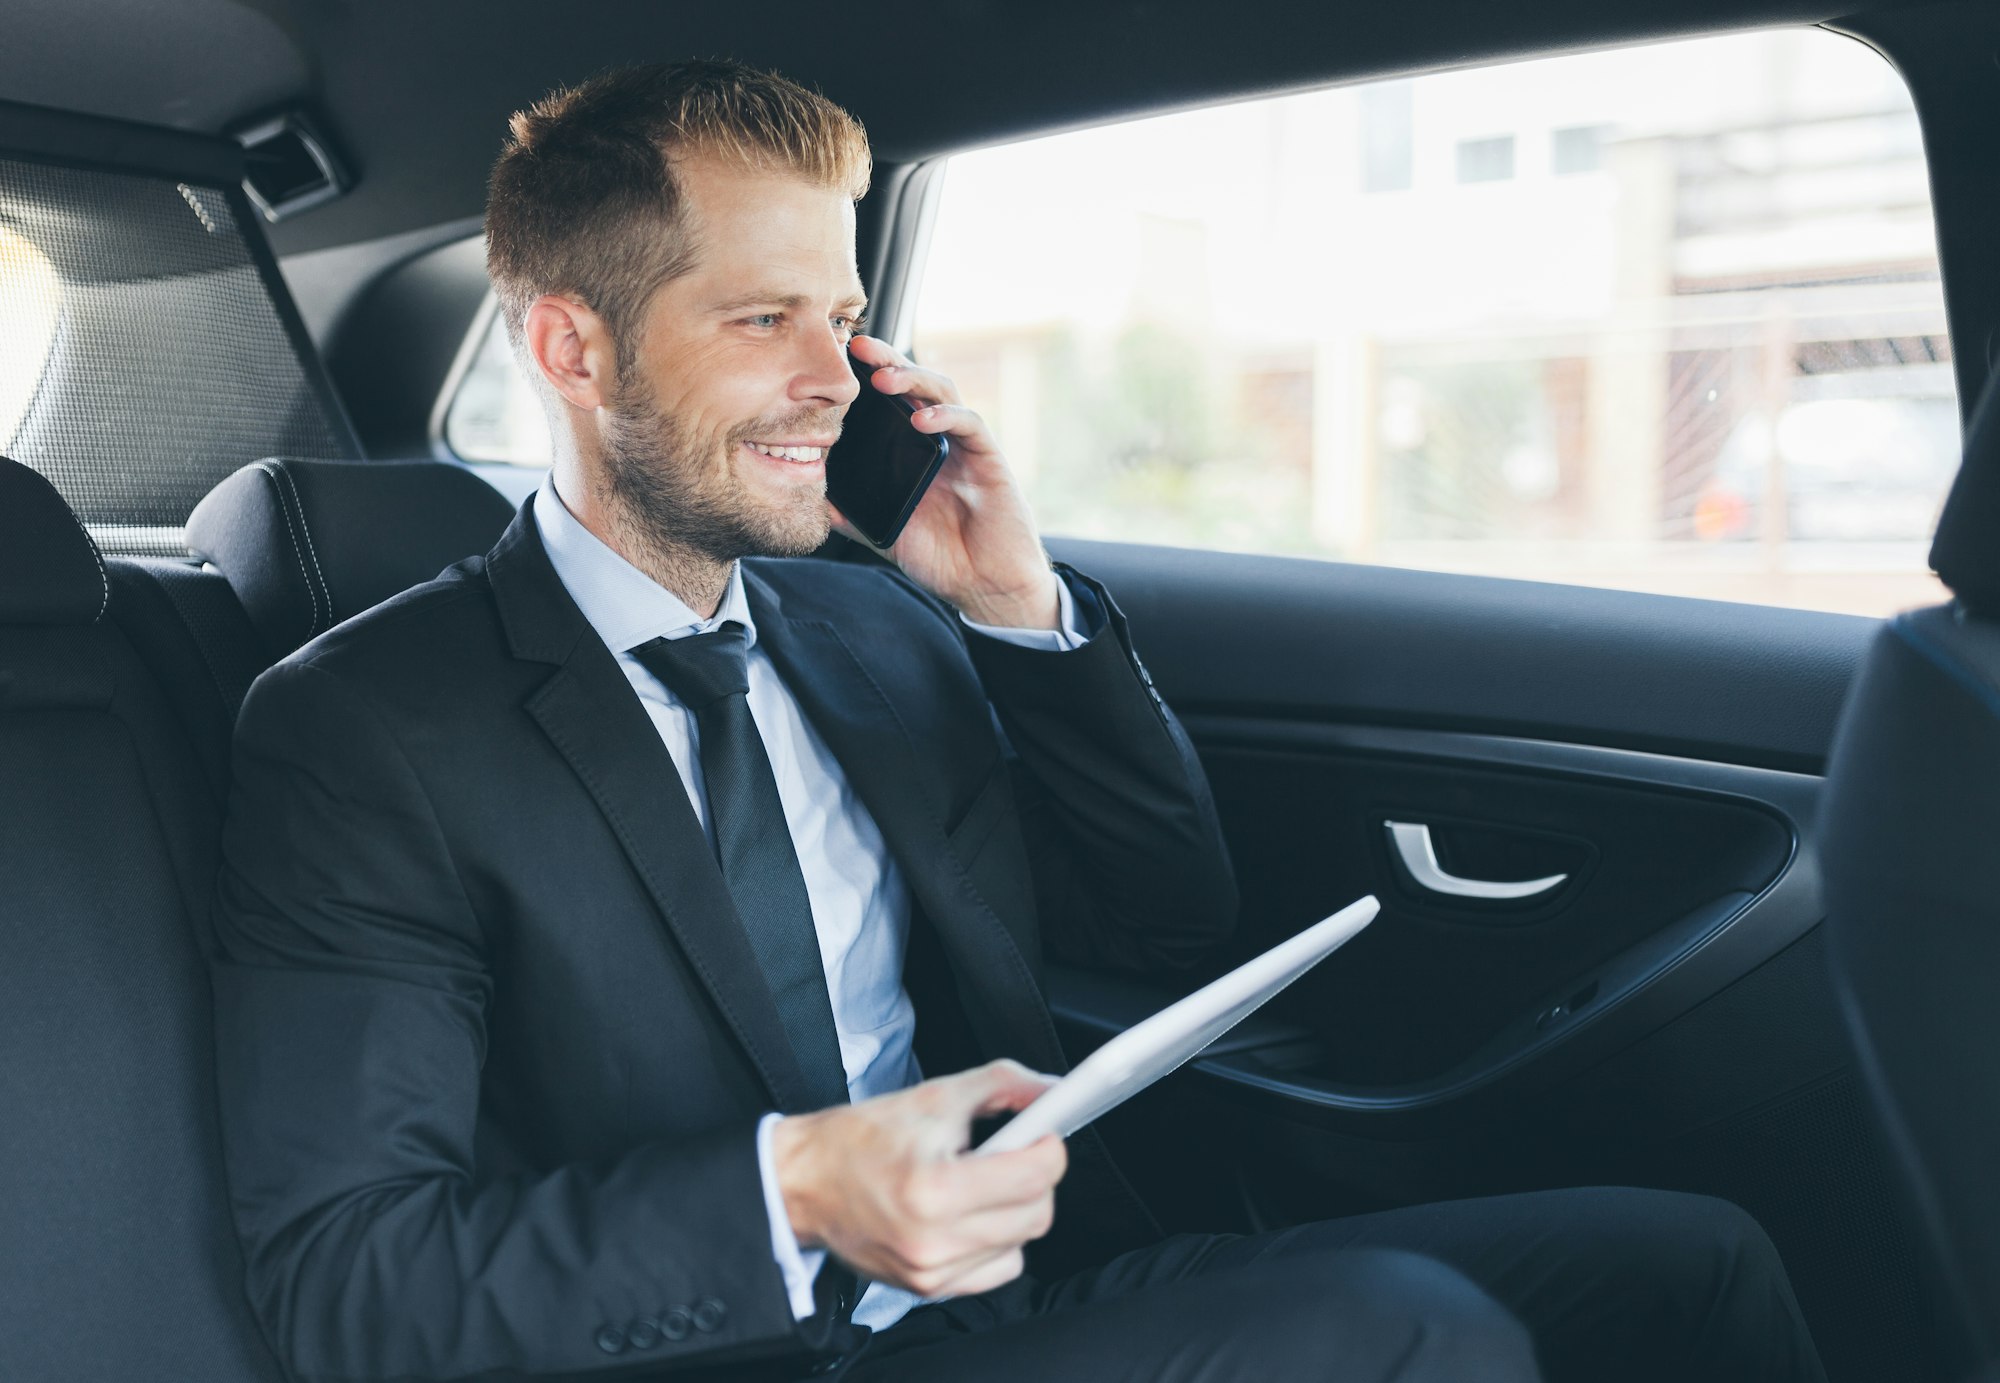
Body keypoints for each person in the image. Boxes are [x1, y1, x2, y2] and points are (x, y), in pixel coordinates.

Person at [206, 59, 1825, 1383]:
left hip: (1029, 1294)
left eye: (844, 320)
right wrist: (795, 1197)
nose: (836, 377)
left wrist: (1015, 614)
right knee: (1407, 1334)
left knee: (1690, 1262)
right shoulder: (365, 736)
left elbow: (1161, 919)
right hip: (735, 1348)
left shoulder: (864, 631)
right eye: (762, 319)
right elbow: (355, 1281)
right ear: (572, 345)